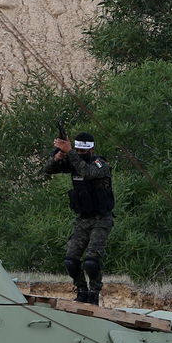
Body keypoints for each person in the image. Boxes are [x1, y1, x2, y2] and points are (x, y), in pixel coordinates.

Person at [42, 130, 114, 305]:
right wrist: (57, 156)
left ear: (91, 149)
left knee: (91, 261)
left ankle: (94, 293)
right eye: (78, 151)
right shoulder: (73, 161)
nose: (80, 154)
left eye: (83, 151)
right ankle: (81, 289)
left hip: (101, 219)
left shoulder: (99, 164)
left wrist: (71, 152)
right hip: (82, 219)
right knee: (71, 260)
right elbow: (47, 170)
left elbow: (88, 172)